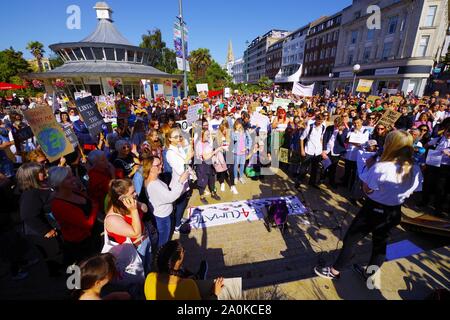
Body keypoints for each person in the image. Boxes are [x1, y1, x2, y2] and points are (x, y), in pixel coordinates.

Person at [314, 130, 423, 281]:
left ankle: (334, 271)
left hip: (374, 209)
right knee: (380, 245)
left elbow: (367, 190)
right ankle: (370, 274)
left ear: (391, 145)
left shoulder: (382, 167)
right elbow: (414, 191)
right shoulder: (415, 169)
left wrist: (369, 166)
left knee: (350, 240)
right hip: (394, 211)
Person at [16, 162, 62, 277]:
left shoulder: (43, 185)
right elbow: (28, 216)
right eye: (40, 172)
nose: (44, 173)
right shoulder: (30, 194)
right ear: (31, 176)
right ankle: (65, 281)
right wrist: (45, 230)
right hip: (42, 233)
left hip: (54, 226)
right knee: (54, 256)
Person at [49, 166, 101, 266]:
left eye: (72, 176)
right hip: (81, 244)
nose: (73, 179)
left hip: (92, 236)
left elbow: (90, 200)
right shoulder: (59, 205)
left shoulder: (74, 191)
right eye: (68, 178)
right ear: (59, 183)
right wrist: (95, 207)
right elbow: (87, 224)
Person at [144, 240, 223, 300]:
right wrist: (214, 293)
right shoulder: (189, 285)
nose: (184, 252)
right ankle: (200, 277)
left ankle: (198, 276)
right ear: (177, 261)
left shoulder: (150, 278)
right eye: (183, 251)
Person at [104, 179, 152, 273]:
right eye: (132, 192)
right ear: (121, 198)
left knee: (147, 268)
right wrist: (134, 210)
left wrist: (136, 204)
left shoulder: (130, 204)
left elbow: (145, 209)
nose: (136, 194)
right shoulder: (112, 219)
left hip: (145, 239)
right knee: (139, 276)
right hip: (135, 249)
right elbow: (136, 233)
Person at [144, 156, 189, 248]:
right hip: (162, 218)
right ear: (150, 168)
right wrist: (181, 181)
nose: (161, 165)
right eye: (158, 165)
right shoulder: (153, 185)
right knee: (163, 242)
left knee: (164, 239)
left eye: (161, 163)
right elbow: (171, 197)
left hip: (162, 214)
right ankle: (161, 259)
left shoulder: (153, 179)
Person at [165, 127, 193, 232]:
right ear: (170, 139)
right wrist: (188, 158)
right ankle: (177, 225)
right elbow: (182, 170)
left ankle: (179, 219)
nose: (179, 138)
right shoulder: (170, 153)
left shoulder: (179, 148)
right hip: (178, 183)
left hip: (185, 181)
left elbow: (187, 162)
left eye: (180, 136)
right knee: (180, 204)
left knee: (183, 202)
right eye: (176, 137)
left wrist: (189, 154)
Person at [296, 114, 326, 189]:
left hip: (318, 151)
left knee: (315, 168)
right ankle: (298, 182)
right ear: (315, 119)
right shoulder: (310, 127)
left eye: (321, 121)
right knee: (304, 168)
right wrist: (302, 150)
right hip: (309, 150)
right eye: (319, 121)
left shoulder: (323, 127)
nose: (320, 123)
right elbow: (302, 138)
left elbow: (321, 138)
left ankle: (312, 182)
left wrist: (322, 150)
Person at [195, 129, 223, 204]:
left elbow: (210, 153)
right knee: (203, 182)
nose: (209, 136)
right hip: (202, 165)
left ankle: (213, 193)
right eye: (207, 134)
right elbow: (205, 157)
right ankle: (202, 196)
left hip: (210, 164)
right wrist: (216, 151)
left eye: (209, 134)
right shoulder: (199, 144)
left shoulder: (208, 142)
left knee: (212, 180)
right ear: (201, 136)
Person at [342, 117, 370, 189]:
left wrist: (352, 141)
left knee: (354, 173)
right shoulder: (351, 129)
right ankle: (344, 184)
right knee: (347, 170)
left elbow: (363, 144)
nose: (356, 124)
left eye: (358, 122)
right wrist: (352, 137)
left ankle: (351, 187)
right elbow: (346, 141)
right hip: (349, 154)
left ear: (361, 122)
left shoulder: (365, 131)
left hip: (357, 155)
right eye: (354, 123)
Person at [322, 116, 348, 188]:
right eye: (335, 124)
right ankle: (322, 178)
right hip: (328, 149)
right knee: (325, 165)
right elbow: (325, 138)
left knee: (333, 167)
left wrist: (340, 133)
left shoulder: (345, 130)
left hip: (336, 151)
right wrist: (323, 149)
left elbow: (342, 141)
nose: (336, 126)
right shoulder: (330, 128)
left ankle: (331, 181)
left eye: (337, 124)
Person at [87, 150, 115, 215]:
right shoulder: (94, 176)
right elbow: (114, 189)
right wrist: (113, 174)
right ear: (95, 164)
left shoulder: (105, 168)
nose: (106, 161)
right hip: (106, 207)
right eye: (103, 160)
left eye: (105, 158)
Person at [216, 121, 238, 194]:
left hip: (229, 154)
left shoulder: (230, 134)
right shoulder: (218, 136)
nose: (224, 131)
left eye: (225, 129)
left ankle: (232, 186)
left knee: (231, 171)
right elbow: (215, 146)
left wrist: (229, 145)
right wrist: (221, 146)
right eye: (222, 130)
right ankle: (222, 183)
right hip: (221, 155)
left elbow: (234, 143)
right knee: (222, 170)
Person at [232, 120, 252, 184]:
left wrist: (247, 147)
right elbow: (234, 139)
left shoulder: (245, 132)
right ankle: (235, 177)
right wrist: (237, 132)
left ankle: (241, 177)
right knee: (236, 165)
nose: (238, 127)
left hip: (243, 152)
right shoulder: (233, 132)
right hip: (236, 152)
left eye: (239, 125)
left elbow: (250, 140)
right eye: (237, 125)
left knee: (242, 165)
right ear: (235, 126)